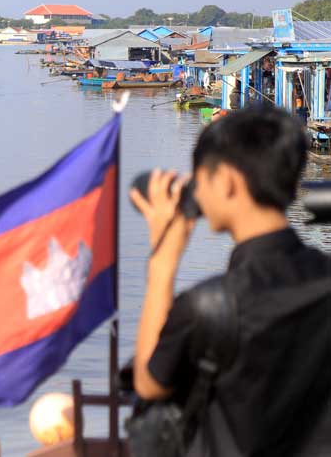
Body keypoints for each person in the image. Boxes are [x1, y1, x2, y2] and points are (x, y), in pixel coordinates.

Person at [130, 105, 331, 455]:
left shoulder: (211, 305)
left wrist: (162, 261)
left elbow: (149, 385)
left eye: (200, 178)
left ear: (225, 182)